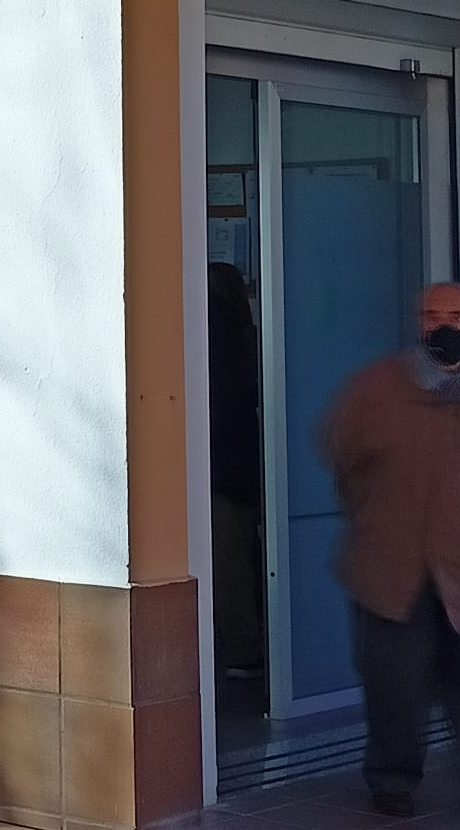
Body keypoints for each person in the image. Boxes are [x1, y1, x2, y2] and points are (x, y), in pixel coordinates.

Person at [324, 281, 460, 826]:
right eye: (431, 314)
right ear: (417, 323)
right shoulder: (373, 390)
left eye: (454, 314)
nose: (443, 324)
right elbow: (343, 460)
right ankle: (392, 783)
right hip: (390, 568)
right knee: (395, 688)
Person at [207, 261, 265, 680]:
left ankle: (243, 648)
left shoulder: (212, 329)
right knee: (241, 558)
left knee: (229, 564)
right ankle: (247, 646)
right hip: (242, 464)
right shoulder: (245, 333)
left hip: (222, 468)